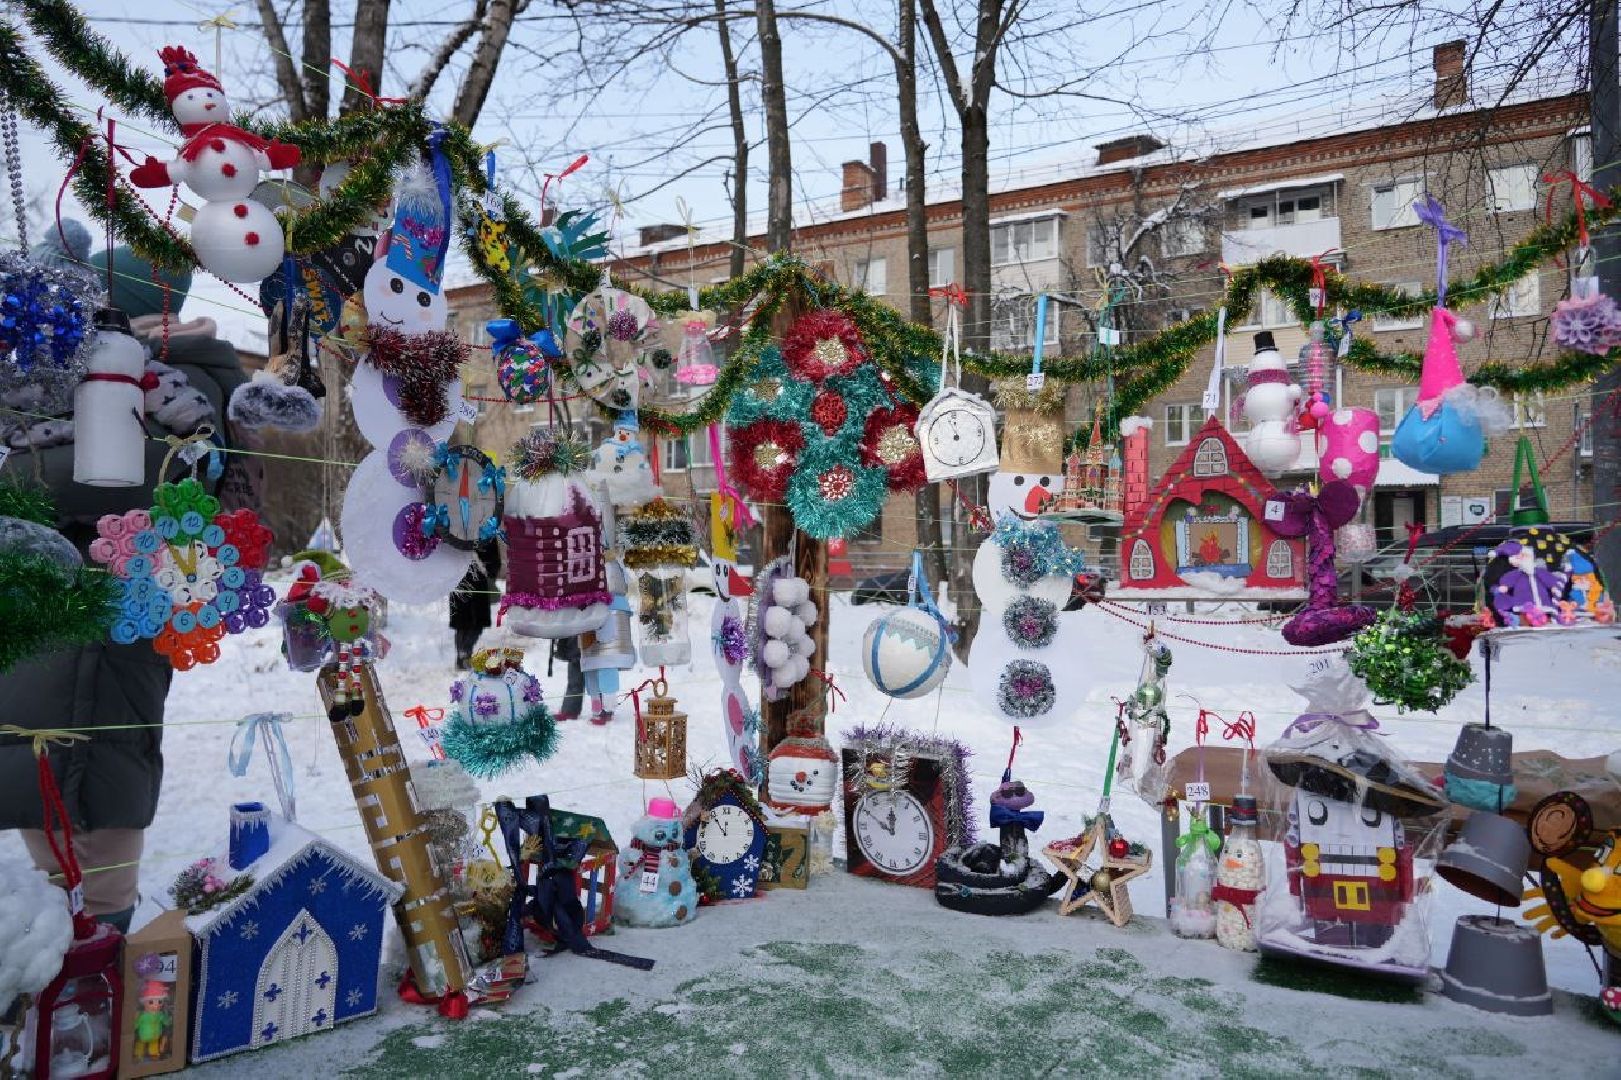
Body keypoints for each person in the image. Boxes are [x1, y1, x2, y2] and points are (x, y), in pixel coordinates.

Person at [0, 234, 248, 933]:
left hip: (114, 621)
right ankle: (64, 969)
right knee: (35, 789)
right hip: (38, 622)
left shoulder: (179, 384)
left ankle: (99, 967)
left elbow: (152, 486)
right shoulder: (43, 382)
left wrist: (34, 466)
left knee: (102, 794)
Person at [450, 539, 501, 669]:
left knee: (466, 623)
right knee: (470, 623)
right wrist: (491, 573)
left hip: (462, 579)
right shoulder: (485, 530)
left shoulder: (456, 527)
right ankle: (464, 655)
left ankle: (463, 656)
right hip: (472, 579)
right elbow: (494, 560)